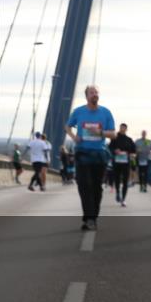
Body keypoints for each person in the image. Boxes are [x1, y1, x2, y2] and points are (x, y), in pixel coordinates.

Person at [65, 85, 116, 230]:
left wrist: (99, 133)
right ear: (86, 96)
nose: (94, 95)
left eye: (96, 93)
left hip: (99, 155)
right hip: (82, 152)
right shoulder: (79, 112)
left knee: (96, 187)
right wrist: (74, 137)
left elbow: (113, 134)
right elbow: (67, 126)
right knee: (83, 185)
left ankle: (92, 217)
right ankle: (89, 217)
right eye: (91, 93)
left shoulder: (106, 112)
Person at [108, 123, 136, 207]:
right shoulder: (114, 138)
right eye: (121, 127)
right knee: (116, 179)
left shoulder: (129, 139)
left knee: (125, 181)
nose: (122, 129)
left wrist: (132, 155)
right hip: (116, 162)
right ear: (119, 128)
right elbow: (109, 148)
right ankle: (117, 192)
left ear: (126, 129)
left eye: (124, 128)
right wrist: (114, 151)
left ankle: (123, 199)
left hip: (126, 162)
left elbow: (134, 151)